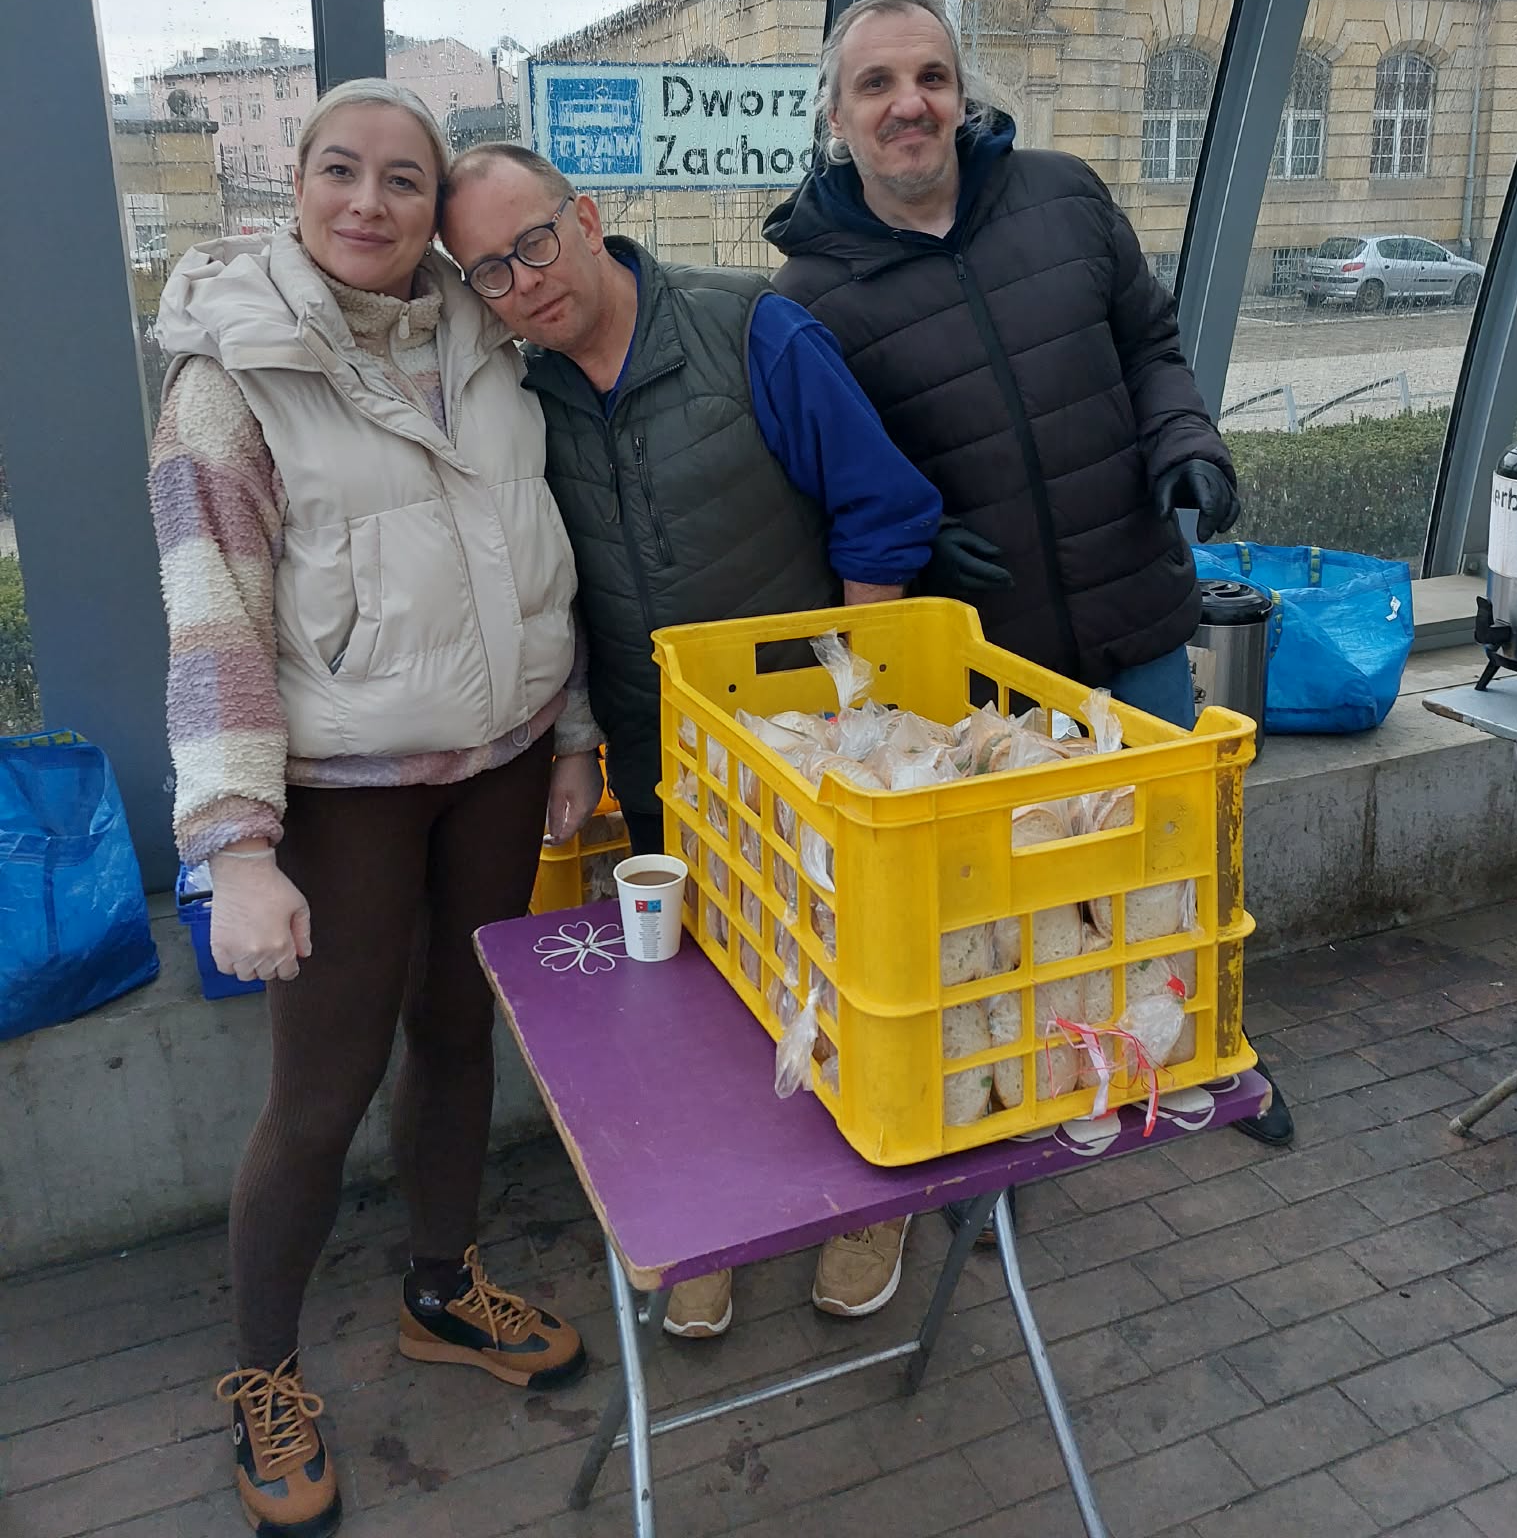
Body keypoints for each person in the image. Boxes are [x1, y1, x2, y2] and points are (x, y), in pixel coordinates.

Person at [150, 81, 598, 1538]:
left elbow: (543, 553)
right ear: (292, 184)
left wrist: (572, 736)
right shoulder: (229, 375)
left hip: (501, 765)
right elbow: (212, 623)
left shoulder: (487, 340)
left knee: (460, 1035)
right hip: (345, 794)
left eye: (404, 180)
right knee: (319, 1095)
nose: (369, 202)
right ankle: (263, 1374)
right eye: (340, 170)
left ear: (434, 210)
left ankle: (440, 1289)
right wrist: (237, 847)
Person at [439, 144, 984, 1339]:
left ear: (587, 218)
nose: (524, 281)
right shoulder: (525, 397)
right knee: (710, 985)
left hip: (812, 745)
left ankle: (877, 1191)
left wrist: (853, 720)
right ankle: (732, 1208)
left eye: (535, 242)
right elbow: (550, 587)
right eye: (488, 270)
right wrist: (581, 742)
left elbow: (881, 505)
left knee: (850, 970)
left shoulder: (751, 330)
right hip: (665, 757)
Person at [764, 0, 1292, 1156]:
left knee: (1172, 862)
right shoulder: (810, 296)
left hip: (1130, 601)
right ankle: (1038, 1083)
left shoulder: (1063, 196)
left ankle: (1212, 1048)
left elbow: (1149, 344)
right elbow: (836, 478)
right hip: (987, 662)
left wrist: (1188, 444)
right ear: (836, 118)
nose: (910, 103)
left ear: (963, 95)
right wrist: (923, 536)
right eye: (876, 84)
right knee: (1017, 906)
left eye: (932, 77)